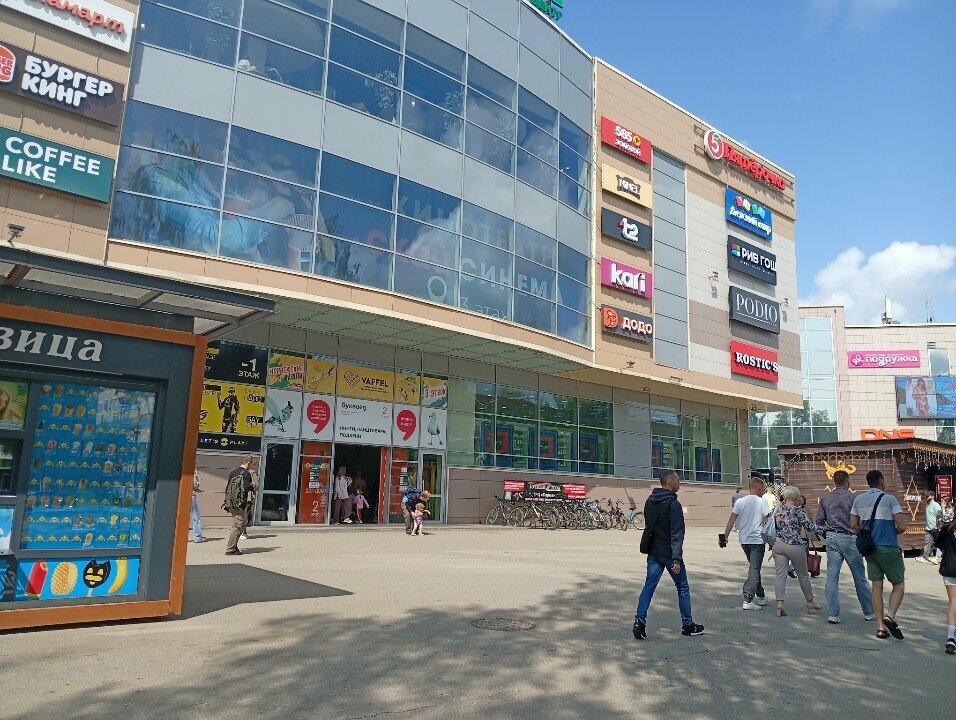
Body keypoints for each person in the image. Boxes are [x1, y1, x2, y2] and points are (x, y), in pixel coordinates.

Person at [633, 470, 704, 640]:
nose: (680, 482)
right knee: (683, 588)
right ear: (670, 482)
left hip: (654, 552)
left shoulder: (650, 501)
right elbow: (677, 534)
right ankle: (688, 625)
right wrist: (676, 559)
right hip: (669, 555)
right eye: (678, 480)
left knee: (649, 587)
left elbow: (650, 527)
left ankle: (639, 623)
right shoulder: (674, 504)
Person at [851, 469, 908, 640]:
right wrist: (890, 530)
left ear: (868, 482)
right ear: (881, 482)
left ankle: (880, 628)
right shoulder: (890, 499)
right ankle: (890, 616)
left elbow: (854, 524)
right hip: (888, 546)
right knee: (898, 584)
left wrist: (866, 531)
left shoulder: (858, 499)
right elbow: (902, 526)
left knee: (876, 586)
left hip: (870, 549)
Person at [815, 470, 876, 624]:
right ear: (848, 482)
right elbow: (861, 521)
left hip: (832, 538)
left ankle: (833, 614)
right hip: (850, 539)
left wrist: (827, 533)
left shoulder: (825, 499)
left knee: (832, 577)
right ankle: (869, 612)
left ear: (834, 481)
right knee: (859, 577)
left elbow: (819, 522)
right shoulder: (854, 499)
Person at [771, 485, 822, 617]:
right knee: (803, 575)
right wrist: (825, 528)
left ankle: (780, 604)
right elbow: (810, 527)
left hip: (778, 545)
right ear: (797, 497)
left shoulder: (776, 509)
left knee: (780, 575)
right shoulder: (798, 511)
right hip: (795, 545)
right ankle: (810, 602)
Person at [722, 476, 770, 610]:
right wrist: (772, 540)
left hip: (744, 540)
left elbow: (731, 519)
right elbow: (768, 521)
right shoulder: (762, 502)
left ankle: (761, 595)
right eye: (763, 487)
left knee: (754, 568)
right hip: (758, 540)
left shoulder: (740, 502)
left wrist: (725, 536)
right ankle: (748, 599)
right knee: (754, 569)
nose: (764, 490)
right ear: (758, 487)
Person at [928, 512, 956, 654]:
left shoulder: (947, 528)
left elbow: (939, 544)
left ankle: (951, 638)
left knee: (953, 602)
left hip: (950, 568)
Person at [224, 455, 257, 556]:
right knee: (237, 525)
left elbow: (228, 487)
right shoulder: (246, 474)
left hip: (231, 502)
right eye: (253, 464)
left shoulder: (233, 472)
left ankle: (233, 546)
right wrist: (253, 485)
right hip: (239, 503)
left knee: (243, 522)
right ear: (248, 463)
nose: (253, 466)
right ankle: (231, 549)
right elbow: (247, 488)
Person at [921, 493, 942, 564]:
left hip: (935, 527)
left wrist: (937, 526)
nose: (926, 496)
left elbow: (939, 516)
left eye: (928, 495)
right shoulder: (927, 506)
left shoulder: (936, 505)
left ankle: (945, 556)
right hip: (928, 527)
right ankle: (925, 557)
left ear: (932, 496)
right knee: (927, 542)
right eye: (926, 495)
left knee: (939, 542)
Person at [189, 469, 207, 543]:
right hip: (191, 495)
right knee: (195, 516)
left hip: (183, 495)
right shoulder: (192, 473)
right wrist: (195, 476)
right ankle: (198, 537)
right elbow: (195, 485)